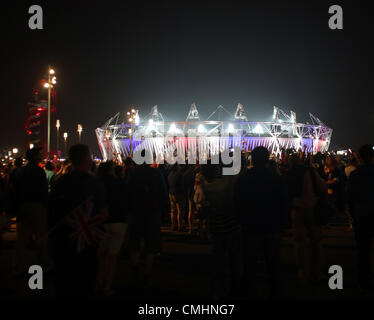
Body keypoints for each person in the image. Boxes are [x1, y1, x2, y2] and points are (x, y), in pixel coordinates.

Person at [49, 144, 108, 298]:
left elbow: (52, 212)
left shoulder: (59, 182)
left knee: (65, 282)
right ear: (86, 159)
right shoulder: (95, 184)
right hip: (87, 241)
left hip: (63, 240)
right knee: (86, 282)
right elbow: (103, 213)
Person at [235, 146, 288, 299]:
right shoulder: (276, 178)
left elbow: (238, 202)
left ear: (251, 159)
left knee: (249, 263)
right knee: (273, 264)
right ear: (267, 159)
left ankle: (248, 291)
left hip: (250, 226)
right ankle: (275, 291)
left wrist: (241, 221)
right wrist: (283, 223)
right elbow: (283, 202)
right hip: (271, 226)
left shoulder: (244, 178)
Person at [201, 163, 242, 299]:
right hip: (231, 226)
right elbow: (233, 178)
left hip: (217, 227)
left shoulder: (207, 187)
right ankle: (234, 288)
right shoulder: (226, 186)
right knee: (233, 259)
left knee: (219, 260)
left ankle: (218, 289)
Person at [287, 154, 327, 284]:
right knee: (316, 241)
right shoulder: (310, 171)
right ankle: (317, 272)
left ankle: (302, 272)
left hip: (296, 211)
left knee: (299, 243)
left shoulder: (288, 174)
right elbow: (322, 187)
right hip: (312, 209)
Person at [127, 162, 169, 286]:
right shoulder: (156, 174)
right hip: (152, 213)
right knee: (151, 245)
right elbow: (163, 193)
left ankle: (135, 270)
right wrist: (163, 211)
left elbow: (128, 193)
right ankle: (147, 274)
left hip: (136, 213)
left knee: (134, 243)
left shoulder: (133, 175)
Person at [13, 147, 51, 276]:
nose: (42, 155)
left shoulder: (21, 171)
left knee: (22, 239)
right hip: (37, 206)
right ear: (36, 157)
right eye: (40, 153)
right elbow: (43, 190)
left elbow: (15, 189)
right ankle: (43, 266)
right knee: (41, 237)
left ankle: (18, 267)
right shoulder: (39, 171)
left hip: (24, 206)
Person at [96, 161, 129, 296]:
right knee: (112, 256)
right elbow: (127, 202)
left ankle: (98, 283)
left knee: (101, 255)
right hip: (118, 221)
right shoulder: (120, 183)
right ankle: (107, 286)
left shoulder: (96, 184)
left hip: (101, 222)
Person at [348, 144, 374, 292]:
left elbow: (350, 198)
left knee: (363, 251)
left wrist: (353, 215)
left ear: (359, 157)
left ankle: (363, 282)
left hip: (362, 216)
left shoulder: (355, 175)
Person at [168, 164, 186, 231]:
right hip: (178, 194)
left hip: (171, 193)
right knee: (180, 211)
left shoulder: (170, 174)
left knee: (173, 211)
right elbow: (182, 185)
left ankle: (173, 225)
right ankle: (180, 226)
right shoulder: (179, 174)